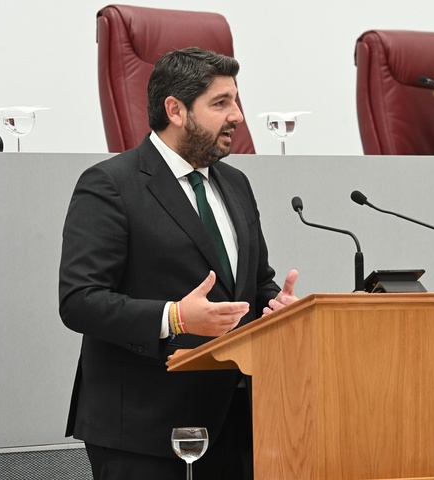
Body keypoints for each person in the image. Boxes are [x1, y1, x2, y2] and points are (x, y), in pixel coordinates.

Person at [58, 47, 298, 480]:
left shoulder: (236, 184)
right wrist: (175, 317)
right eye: (221, 103)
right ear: (176, 110)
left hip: (234, 425)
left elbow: (255, 283)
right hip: (142, 431)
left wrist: (274, 309)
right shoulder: (110, 185)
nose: (238, 116)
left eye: (236, 101)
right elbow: (80, 300)